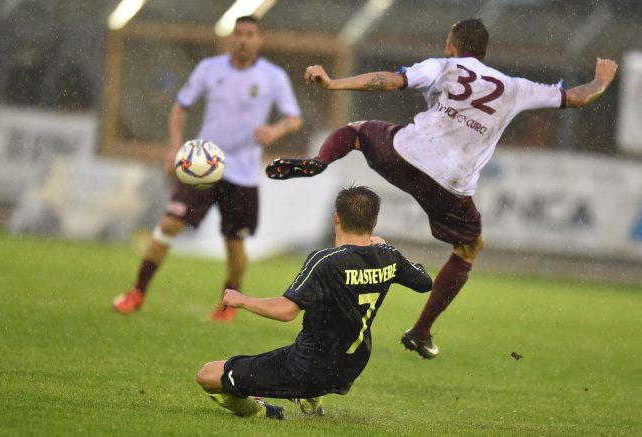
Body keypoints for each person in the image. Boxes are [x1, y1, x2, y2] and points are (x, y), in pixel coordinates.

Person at [265, 18, 618, 359]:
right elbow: (578, 97)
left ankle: (321, 161)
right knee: (469, 247)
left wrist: (333, 83)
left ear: (452, 46)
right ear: (483, 51)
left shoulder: (444, 66)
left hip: (405, 153)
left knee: (356, 131)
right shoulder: (515, 87)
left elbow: (389, 81)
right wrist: (601, 80)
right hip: (451, 184)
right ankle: (421, 331)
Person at [113, 16, 303, 320]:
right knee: (169, 224)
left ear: (259, 40)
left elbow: (294, 119)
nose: (243, 39)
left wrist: (275, 130)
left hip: (242, 173)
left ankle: (228, 305)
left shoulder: (273, 76)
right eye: (238, 33)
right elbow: (180, 107)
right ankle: (137, 292)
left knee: (234, 243)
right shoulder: (209, 69)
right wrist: (174, 148)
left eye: (250, 34)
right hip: (202, 166)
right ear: (231, 38)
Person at [195, 186, 432, 419]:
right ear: (375, 221)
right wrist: (387, 248)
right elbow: (424, 281)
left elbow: (286, 311)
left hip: (306, 369)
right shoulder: (388, 256)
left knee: (207, 375)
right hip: (351, 367)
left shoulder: (325, 261)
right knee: (326, 304)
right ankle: (311, 395)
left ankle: (264, 410)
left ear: (337, 217)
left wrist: (242, 300)